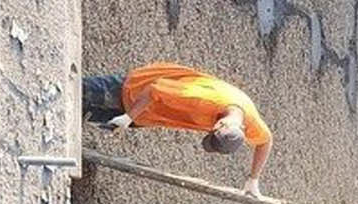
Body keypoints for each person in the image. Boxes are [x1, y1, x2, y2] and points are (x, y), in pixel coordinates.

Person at [82, 62, 272, 196]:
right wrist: (128, 117)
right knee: (78, 90)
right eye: (211, 134)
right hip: (134, 91)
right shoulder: (203, 99)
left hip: (147, 114)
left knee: (82, 113)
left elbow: (265, 141)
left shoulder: (248, 121)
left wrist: (253, 179)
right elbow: (154, 89)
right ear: (220, 125)